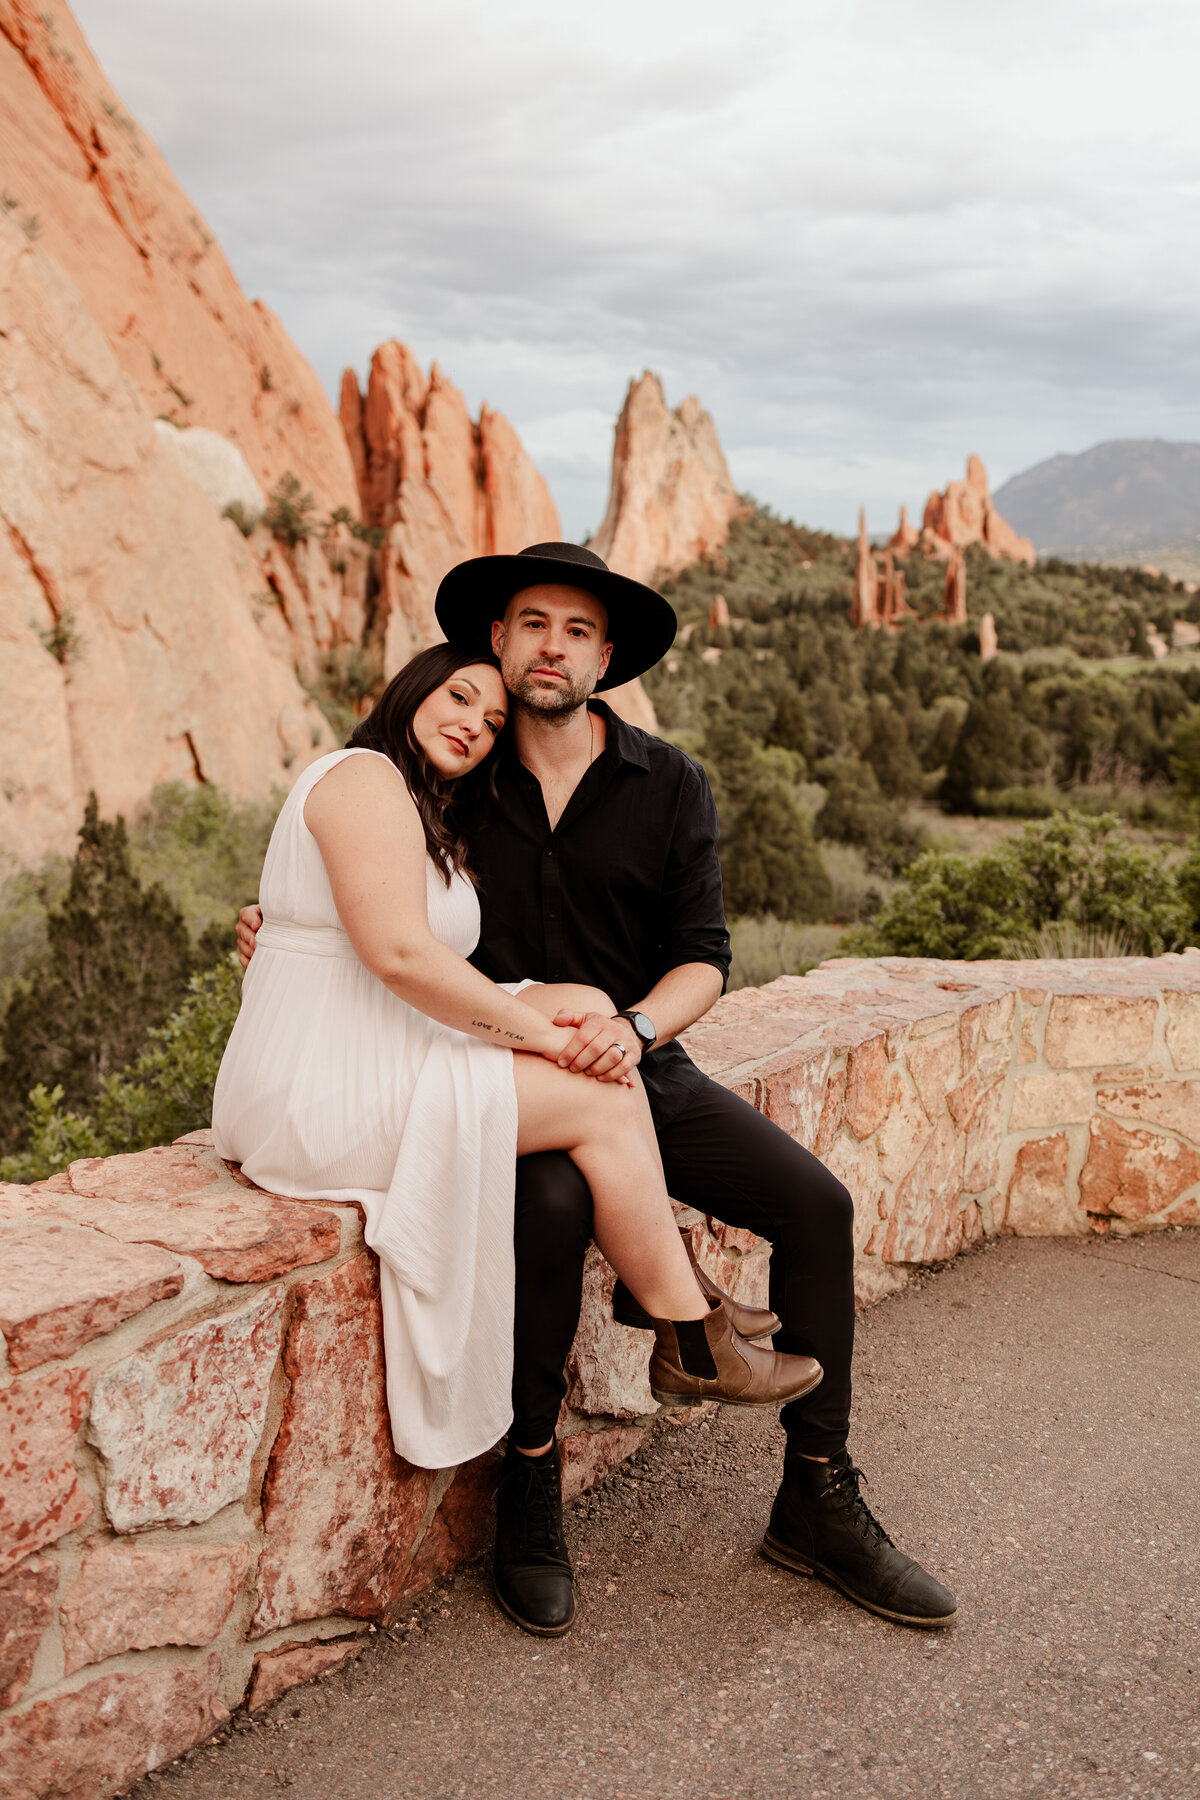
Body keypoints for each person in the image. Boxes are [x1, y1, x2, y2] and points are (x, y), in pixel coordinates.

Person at [238, 542, 956, 1636]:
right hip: (496, 1070)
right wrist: (278, 931)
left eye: (576, 630)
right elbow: (377, 909)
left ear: (606, 656)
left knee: (817, 1205)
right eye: (531, 624)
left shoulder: (668, 782)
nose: (551, 646)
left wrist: (634, 1027)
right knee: (549, 1208)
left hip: (631, 1064)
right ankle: (531, 1487)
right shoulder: (452, 777)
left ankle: (818, 1495)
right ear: (496, 642)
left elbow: (705, 957)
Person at [213, 638, 821, 1484]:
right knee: (602, 1099)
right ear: (413, 690)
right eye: (459, 698)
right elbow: (398, 955)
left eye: (493, 720)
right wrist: (539, 1041)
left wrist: (573, 1023)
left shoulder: (412, 798)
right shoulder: (364, 777)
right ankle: (690, 1328)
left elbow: (349, 918)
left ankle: (680, 1300)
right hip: (320, 1090)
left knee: (591, 1006)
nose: (474, 725)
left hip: (357, 1048)